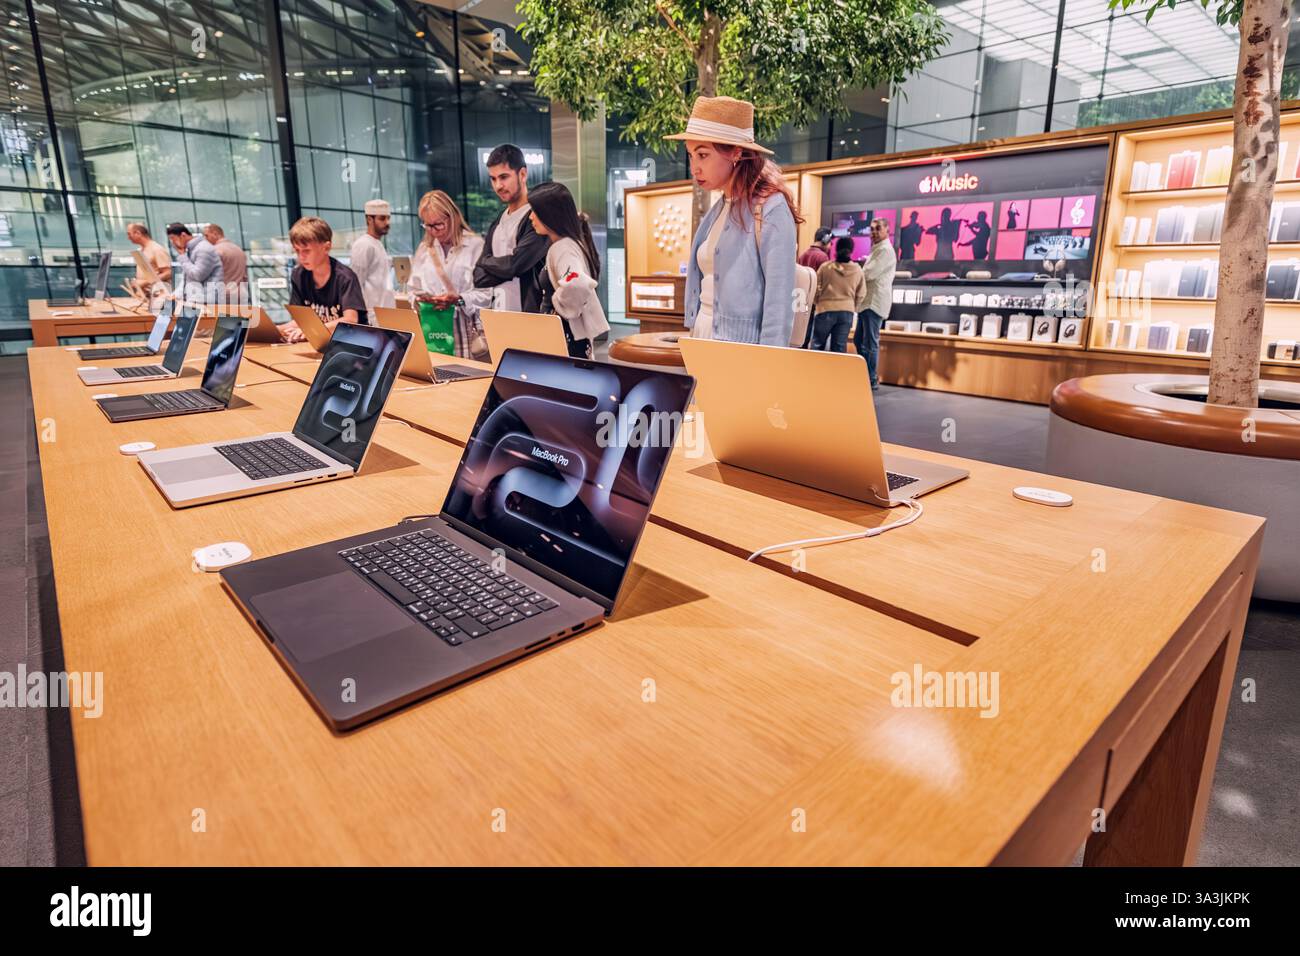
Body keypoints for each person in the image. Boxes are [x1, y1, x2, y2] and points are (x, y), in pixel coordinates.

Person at [666, 96, 800, 346]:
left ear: (736, 153)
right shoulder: (720, 208)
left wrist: (768, 362)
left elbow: (779, 305)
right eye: (691, 155)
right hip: (704, 335)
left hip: (740, 349)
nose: (694, 167)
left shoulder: (770, 209)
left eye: (703, 155)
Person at [527, 181, 610, 359]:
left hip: (565, 339)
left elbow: (577, 282)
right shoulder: (568, 244)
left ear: (550, 214)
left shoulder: (563, 248)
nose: (530, 217)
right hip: (567, 337)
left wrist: (557, 304)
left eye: (535, 211)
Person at [411, 189, 488, 360]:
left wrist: (459, 299)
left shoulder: (475, 245)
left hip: (466, 332)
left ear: (452, 217)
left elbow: (487, 294)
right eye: (428, 225)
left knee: (468, 382)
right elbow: (412, 289)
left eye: (438, 224)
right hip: (434, 330)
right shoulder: (424, 249)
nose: (434, 231)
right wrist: (420, 300)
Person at [472, 144, 548, 313]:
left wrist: (486, 261)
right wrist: (505, 267)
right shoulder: (498, 222)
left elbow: (515, 265)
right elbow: (478, 277)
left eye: (504, 177)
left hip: (531, 319)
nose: (498, 185)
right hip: (498, 316)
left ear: (522, 174)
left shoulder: (537, 219)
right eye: (493, 179)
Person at [279, 216, 367, 344]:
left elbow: (351, 320)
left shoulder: (345, 277)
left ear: (326, 248)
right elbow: (299, 322)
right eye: (297, 251)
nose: (301, 257)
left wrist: (313, 330)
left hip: (352, 344)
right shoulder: (298, 275)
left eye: (306, 251)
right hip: (320, 343)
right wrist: (277, 329)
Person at [854, 218, 897, 390]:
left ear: (887, 230)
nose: (874, 232)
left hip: (875, 302)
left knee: (870, 343)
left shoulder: (885, 250)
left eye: (878, 228)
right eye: (872, 229)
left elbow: (869, 273)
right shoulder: (877, 249)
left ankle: (871, 378)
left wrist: (855, 271)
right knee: (859, 340)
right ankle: (865, 374)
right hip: (867, 301)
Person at [809, 237, 866, 352]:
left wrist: (817, 302)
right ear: (851, 250)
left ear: (836, 248)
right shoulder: (857, 270)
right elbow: (861, 294)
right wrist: (852, 306)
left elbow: (815, 289)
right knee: (839, 349)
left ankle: (814, 369)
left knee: (817, 345)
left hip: (825, 309)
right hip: (846, 312)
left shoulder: (825, 268)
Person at [349, 199, 396, 322]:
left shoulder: (377, 244)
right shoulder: (363, 245)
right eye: (382, 218)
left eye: (388, 218)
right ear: (369, 219)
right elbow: (355, 284)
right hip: (372, 317)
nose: (387, 222)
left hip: (385, 315)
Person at [165, 222, 223, 304]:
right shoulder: (191, 250)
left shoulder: (203, 249)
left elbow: (197, 275)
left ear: (183, 235)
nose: (173, 243)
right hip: (197, 302)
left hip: (207, 303)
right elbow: (188, 279)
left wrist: (182, 256)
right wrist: (175, 295)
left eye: (173, 238)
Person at [202, 223, 248, 304]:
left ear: (215, 234)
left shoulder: (215, 251)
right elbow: (245, 277)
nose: (205, 239)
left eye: (206, 236)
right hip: (240, 296)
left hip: (222, 297)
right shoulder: (239, 250)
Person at [125, 223, 171, 300]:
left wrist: (145, 282)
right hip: (144, 295)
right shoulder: (141, 250)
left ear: (138, 233)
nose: (128, 238)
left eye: (129, 234)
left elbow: (168, 273)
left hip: (157, 296)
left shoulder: (157, 249)